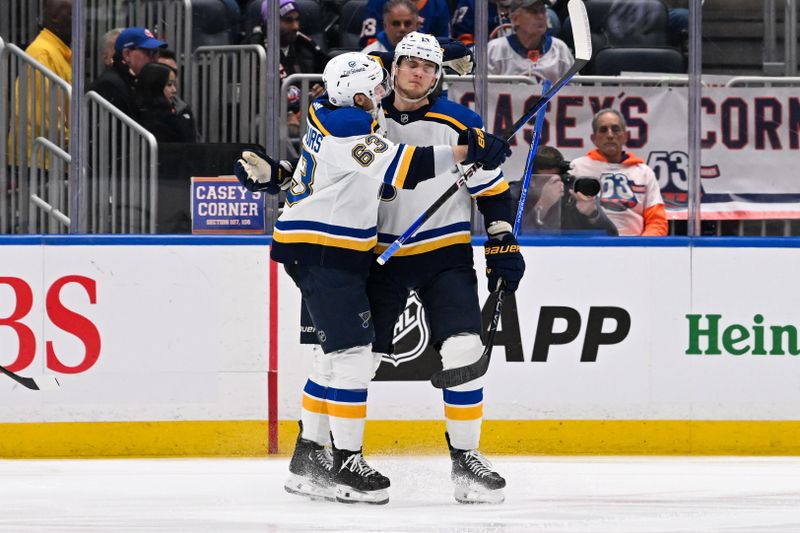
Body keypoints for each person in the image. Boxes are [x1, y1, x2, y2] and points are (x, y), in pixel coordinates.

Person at [233, 51, 512, 505]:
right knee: (348, 357)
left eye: (428, 66)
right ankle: (337, 460)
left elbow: (322, 172)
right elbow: (405, 165)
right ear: (374, 86)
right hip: (352, 252)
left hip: (408, 252)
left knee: (370, 354)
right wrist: (467, 150)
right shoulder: (353, 124)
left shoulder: (357, 108)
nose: (408, 76)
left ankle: (457, 459)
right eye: (402, 68)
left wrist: (280, 175)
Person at [367, 32, 524, 504]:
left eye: (428, 67)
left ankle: (466, 461)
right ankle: (328, 451)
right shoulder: (364, 115)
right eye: (410, 63)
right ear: (393, 68)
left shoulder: (460, 122)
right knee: (355, 360)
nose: (418, 73)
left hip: (444, 252)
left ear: (438, 76)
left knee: (463, 349)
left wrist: (501, 239)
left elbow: (492, 191)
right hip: (378, 254)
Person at [571, 109, 667, 236]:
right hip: (589, 245)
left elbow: (657, 221)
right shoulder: (577, 168)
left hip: (634, 246)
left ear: (625, 136)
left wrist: (643, 247)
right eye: (603, 130)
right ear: (594, 138)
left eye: (615, 129)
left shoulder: (644, 172)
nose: (610, 135)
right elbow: (565, 217)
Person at [14, 0, 72, 161]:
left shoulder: (60, 53)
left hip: (49, 155)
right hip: (38, 159)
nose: (78, 23)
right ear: (54, 17)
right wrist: (72, 141)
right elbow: (44, 114)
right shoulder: (42, 53)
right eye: (72, 15)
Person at [514, 145, 618, 235]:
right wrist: (544, 204)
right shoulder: (515, 195)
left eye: (558, 177)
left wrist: (592, 215)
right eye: (547, 179)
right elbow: (514, 237)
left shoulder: (572, 193)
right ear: (531, 181)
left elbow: (612, 234)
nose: (556, 184)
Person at [88, 27, 167, 119]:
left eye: (157, 52)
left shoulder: (138, 82)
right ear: (127, 54)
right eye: (149, 52)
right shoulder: (110, 85)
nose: (155, 59)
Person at [486, 0, 573, 83]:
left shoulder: (560, 49)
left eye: (542, 10)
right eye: (534, 11)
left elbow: (575, 91)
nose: (541, 16)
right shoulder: (495, 50)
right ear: (515, 19)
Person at [451, 0, 560, 45]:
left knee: (551, 16)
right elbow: (463, 45)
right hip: (488, 64)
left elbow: (546, 42)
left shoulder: (533, 4)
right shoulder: (471, 4)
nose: (539, 15)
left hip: (529, 62)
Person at [136, 63, 197, 143]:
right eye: (169, 85)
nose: (174, 90)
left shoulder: (183, 111)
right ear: (155, 86)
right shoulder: (142, 115)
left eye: (174, 84)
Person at [359, 0, 450, 48]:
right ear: (385, 25)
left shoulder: (438, 4)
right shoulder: (377, 2)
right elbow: (368, 41)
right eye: (396, 23)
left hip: (423, 59)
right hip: (384, 57)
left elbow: (442, 45)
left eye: (408, 23)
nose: (402, 29)